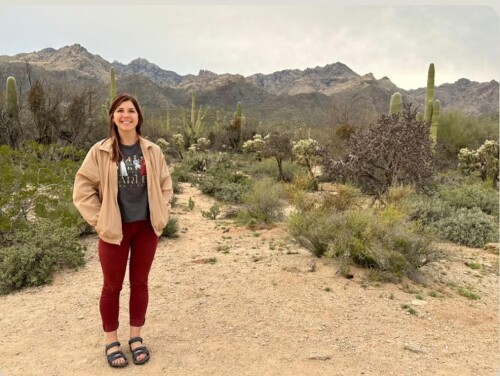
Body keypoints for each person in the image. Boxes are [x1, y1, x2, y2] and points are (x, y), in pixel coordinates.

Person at [73, 93, 173, 368]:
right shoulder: (101, 151)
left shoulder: (152, 151)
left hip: (146, 228)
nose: (126, 115)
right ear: (113, 117)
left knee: (140, 283)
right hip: (114, 230)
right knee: (112, 286)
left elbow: (166, 184)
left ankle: (136, 338)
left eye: (131, 110)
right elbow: (82, 189)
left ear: (138, 117)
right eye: (120, 111)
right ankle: (111, 341)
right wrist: (100, 220)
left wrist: (163, 210)